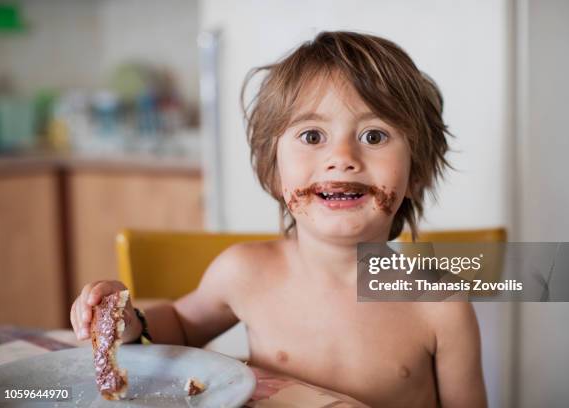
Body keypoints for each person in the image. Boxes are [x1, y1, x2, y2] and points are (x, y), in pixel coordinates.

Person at [71, 31, 487, 408]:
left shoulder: (439, 305)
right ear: (274, 171)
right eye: (312, 136)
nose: (342, 158)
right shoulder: (245, 272)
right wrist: (128, 322)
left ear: (415, 175)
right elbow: (179, 326)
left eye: (374, 136)